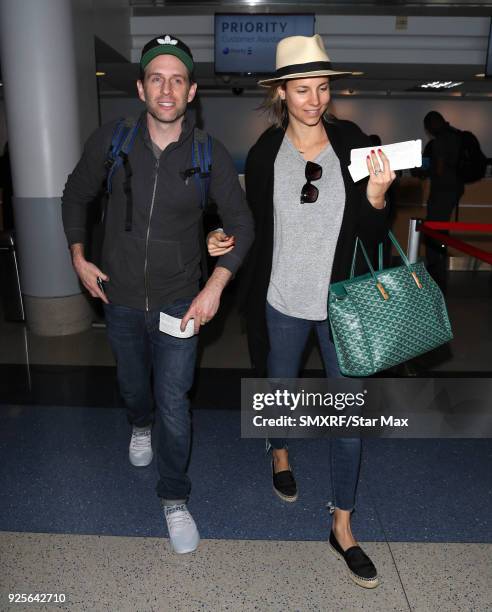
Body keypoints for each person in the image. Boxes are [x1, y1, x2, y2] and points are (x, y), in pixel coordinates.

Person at [208, 34, 394, 588]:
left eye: (322, 87)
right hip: (282, 301)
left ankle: (342, 525)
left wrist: (379, 196)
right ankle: (280, 453)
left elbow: (371, 230)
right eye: (301, 89)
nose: (314, 99)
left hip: (342, 307)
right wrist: (222, 238)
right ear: (281, 93)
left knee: (349, 419)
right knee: (281, 388)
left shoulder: (353, 142)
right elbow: (252, 227)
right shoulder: (266, 153)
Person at [62, 35, 254, 554]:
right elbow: (75, 194)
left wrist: (216, 283)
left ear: (192, 91)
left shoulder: (207, 153)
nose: (165, 89)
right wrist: (79, 257)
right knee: (132, 386)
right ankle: (137, 424)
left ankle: (174, 499)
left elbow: (241, 222)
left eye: (176, 80)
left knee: (175, 401)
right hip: (118, 297)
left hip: (180, 301)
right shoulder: (112, 140)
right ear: (141, 86)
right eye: (155, 78)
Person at [422, 110, 464, 290]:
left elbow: (438, 170)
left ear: (432, 125)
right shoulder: (456, 136)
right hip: (454, 189)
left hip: (442, 191)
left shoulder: (440, 141)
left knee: (434, 229)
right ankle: (440, 264)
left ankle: (435, 268)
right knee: (442, 229)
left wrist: (423, 172)